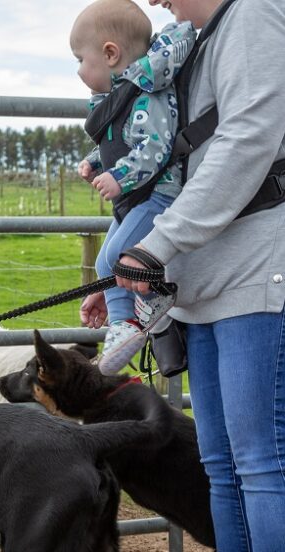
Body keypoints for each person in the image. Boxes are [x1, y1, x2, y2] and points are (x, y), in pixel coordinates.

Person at [116, 0, 285, 552]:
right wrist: (165, 265)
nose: (155, 2)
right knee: (222, 464)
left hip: (257, 270)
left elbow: (249, 137)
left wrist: (159, 242)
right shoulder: (199, 40)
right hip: (208, 277)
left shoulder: (254, 14)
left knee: (262, 461)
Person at [71, 0, 197, 374]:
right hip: (137, 197)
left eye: (81, 59)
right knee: (103, 262)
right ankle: (124, 325)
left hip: (159, 195)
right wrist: (96, 161)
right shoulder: (123, 96)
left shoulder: (146, 95)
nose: (78, 69)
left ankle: (150, 305)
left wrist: (119, 177)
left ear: (110, 54)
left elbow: (154, 148)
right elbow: (123, 141)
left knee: (115, 255)